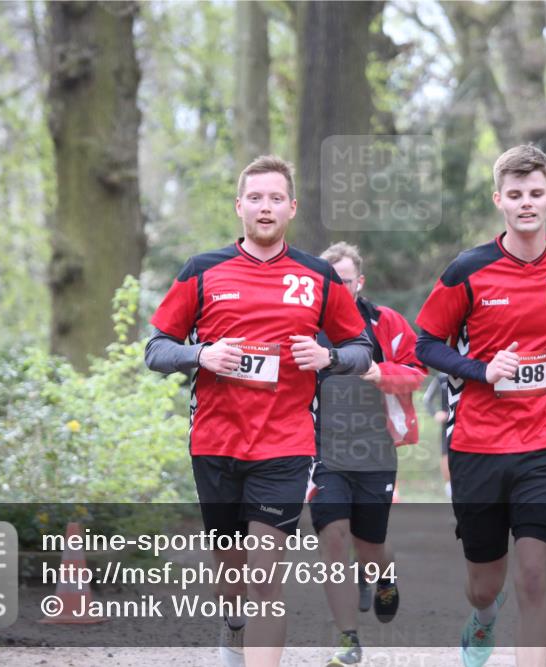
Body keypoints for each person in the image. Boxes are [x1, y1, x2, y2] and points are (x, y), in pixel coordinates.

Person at [144, 156, 373, 667]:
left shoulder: (317, 275)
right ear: (239, 207)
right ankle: (232, 620)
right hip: (216, 443)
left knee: (267, 572)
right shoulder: (203, 270)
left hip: (285, 445)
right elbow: (156, 348)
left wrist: (329, 357)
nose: (265, 207)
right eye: (255, 198)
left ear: (291, 207)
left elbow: (361, 350)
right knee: (233, 571)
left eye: (275, 198)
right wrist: (200, 354)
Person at [414, 145, 546, 667]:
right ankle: (484, 620)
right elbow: (425, 343)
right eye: (515, 195)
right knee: (485, 585)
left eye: (535, 194)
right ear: (499, 201)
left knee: (534, 574)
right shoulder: (468, 270)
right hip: (479, 445)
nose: (526, 203)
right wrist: (481, 370)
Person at [310, 242, 426, 666]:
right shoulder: (304, 323)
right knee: (333, 537)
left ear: (360, 282)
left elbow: (418, 371)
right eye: (329, 283)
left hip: (374, 445)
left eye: (344, 282)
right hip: (320, 446)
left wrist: (381, 373)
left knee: (369, 544)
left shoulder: (386, 323)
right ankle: (348, 639)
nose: (337, 290)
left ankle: (382, 574)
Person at [422, 373, 451, 498]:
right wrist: (435, 414)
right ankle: (450, 488)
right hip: (447, 423)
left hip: (468, 422)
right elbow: (427, 399)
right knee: (445, 454)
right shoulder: (441, 378)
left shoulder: (469, 371)